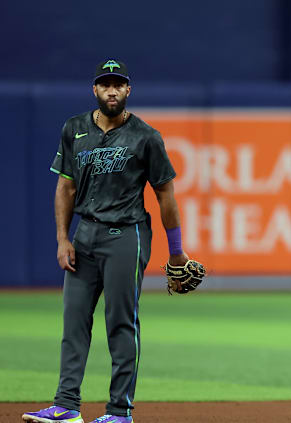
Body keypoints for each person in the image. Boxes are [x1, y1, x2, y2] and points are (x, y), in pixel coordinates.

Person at [22, 59, 191, 423]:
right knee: (73, 320)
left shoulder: (146, 136)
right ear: (94, 89)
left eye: (118, 84)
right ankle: (66, 406)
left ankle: (119, 412)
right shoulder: (75, 128)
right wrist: (62, 239)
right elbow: (65, 186)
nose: (111, 90)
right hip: (85, 235)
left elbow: (166, 195)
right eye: (105, 84)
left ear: (128, 90)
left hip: (125, 235)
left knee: (120, 322)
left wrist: (176, 253)